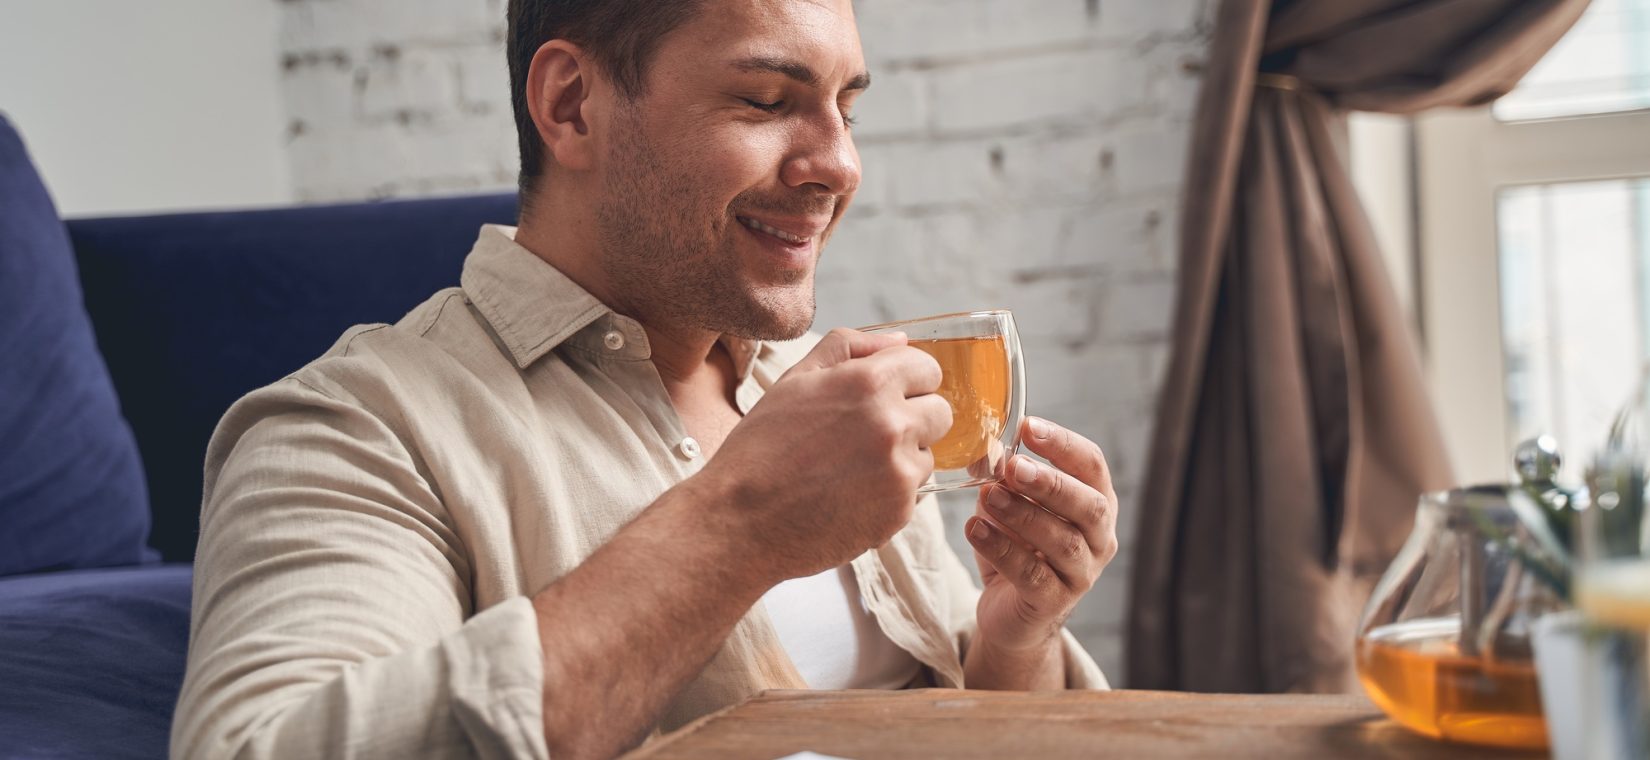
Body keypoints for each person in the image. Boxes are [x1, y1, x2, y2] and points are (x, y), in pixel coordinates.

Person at [170, 1, 1120, 758]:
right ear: (572, 104)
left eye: (847, 106)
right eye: (764, 100)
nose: (841, 164)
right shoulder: (360, 425)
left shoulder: (819, 391)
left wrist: (1012, 646)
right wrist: (739, 525)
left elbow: (973, 724)